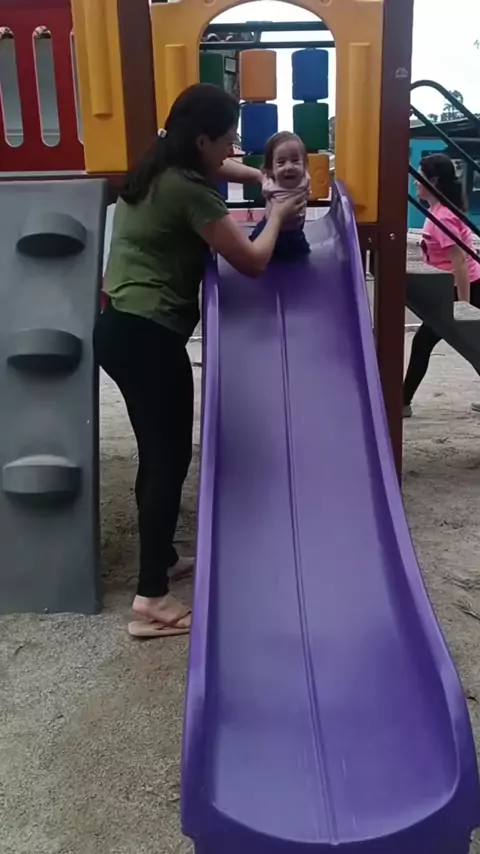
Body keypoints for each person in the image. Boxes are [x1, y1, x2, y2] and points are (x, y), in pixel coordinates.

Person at [94, 84, 304, 639]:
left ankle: (161, 559)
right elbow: (252, 260)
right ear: (202, 140)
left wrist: (262, 177)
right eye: (228, 138)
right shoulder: (192, 192)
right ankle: (151, 601)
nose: (233, 148)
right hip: (150, 337)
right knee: (167, 461)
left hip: (117, 327)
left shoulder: (157, 167)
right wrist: (278, 211)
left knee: (156, 454)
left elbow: (226, 168)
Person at [403, 153, 480, 417]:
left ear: (433, 181)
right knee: (460, 343)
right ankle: (402, 401)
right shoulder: (438, 212)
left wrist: (463, 304)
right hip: (460, 286)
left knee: (429, 343)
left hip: (466, 286)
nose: (415, 182)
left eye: (419, 176)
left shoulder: (442, 217)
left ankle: (402, 402)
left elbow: (460, 261)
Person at [249, 131, 311, 258]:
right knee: (253, 249)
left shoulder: (305, 180)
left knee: (302, 255)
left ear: (304, 164)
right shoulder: (270, 186)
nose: (289, 167)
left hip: (294, 232)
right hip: (267, 228)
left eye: (295, 160)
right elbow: (263, 179)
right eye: (281, 162)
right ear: (271, 170)